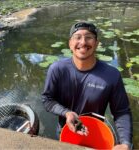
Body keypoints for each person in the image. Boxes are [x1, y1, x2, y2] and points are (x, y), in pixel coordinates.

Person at [42, 21, 133, 150]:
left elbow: (121, 112)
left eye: (89, 37)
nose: (83, 42)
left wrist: (125, 143)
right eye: (77, 37)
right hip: (66, 131)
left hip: (97, 134)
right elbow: (47, 100)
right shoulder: (57, 69)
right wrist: (67, 113)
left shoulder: (112, 75)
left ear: (96, 43)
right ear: (70, 44)